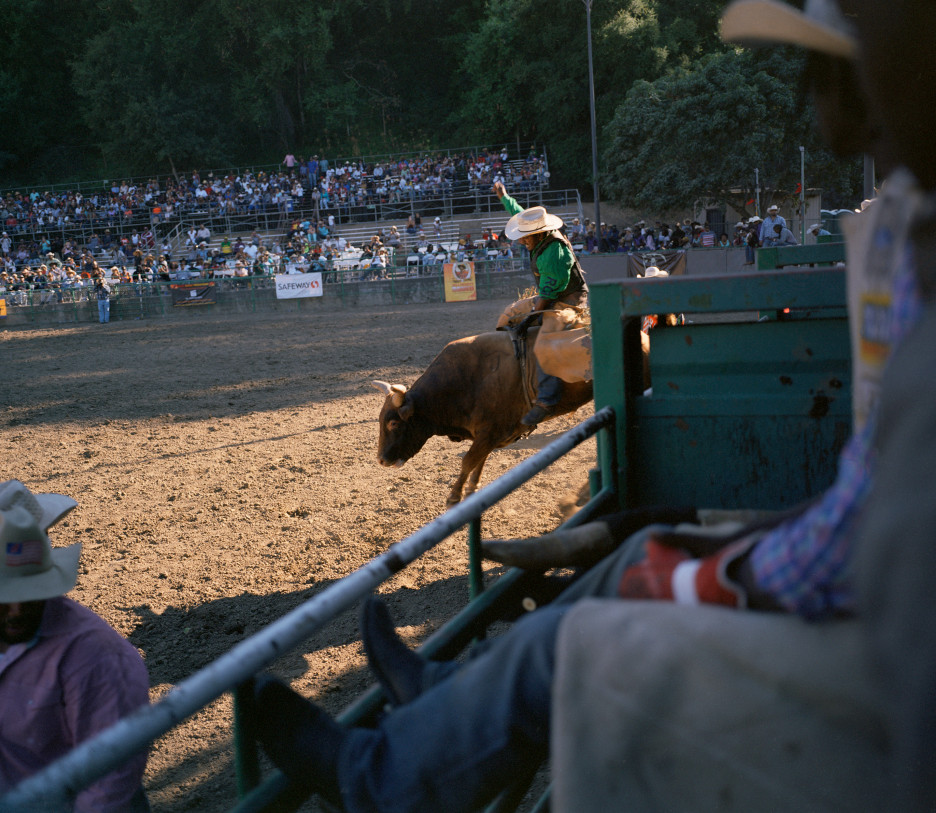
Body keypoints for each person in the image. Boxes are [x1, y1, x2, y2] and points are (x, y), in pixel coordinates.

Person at [246, 1, 936, 810]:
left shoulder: (556, 256)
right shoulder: (904, 243)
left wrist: (703, 567)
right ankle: (453, 694)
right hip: (878, 610)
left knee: (539, 348)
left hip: (888, 679)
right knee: (646, 535)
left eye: (840, 69)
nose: (828, 107)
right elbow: (873, 509)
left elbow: (873, 542)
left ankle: (398, 765)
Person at [0, 480, 150, 811]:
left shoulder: (97, 656)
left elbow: (110, 778)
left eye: (29, 595)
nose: (16, 610)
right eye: (2, 598)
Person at [492, 180, 588, 426]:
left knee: (546, 340)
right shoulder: (538, 235)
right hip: (552, 294)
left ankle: (547, 400)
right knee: (509, 314)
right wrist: (504, 196)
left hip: (569, 300)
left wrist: (531, 318)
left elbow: (547, 297)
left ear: (538, 233)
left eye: (525, 238)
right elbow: (518, 213)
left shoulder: (555, 253)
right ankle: (516, 370)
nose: (521, 241)